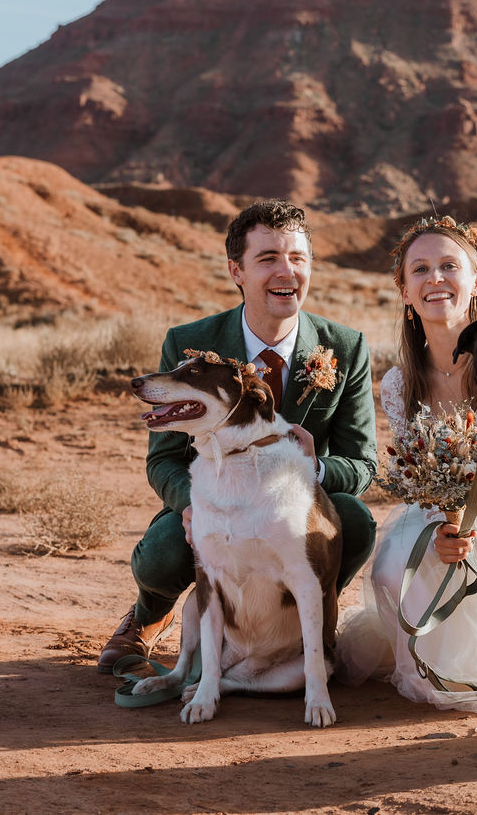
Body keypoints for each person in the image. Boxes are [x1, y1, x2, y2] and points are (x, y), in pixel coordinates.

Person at [98, 199, 378, 673]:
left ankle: (303, 628)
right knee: (163, 553)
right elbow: (163, 460)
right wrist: (193, 507)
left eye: (297, 258)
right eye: (267, 258)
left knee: (353, 519)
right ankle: (150, 615)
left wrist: (312, 465)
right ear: (237, 271)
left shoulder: (346, 348)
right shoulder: (192, 341)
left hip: (292, 518)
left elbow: (363, 465)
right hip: (216, 505)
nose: (286, 271)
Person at [336, 216, 477, 711]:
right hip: (438, 511)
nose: (434, 279)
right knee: (395, 569)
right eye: (419, 269)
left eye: (448, 266)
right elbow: (420, 473)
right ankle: (430, 665)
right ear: (404, 290)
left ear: (476, 281)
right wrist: (445, 518)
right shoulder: (400, 382)